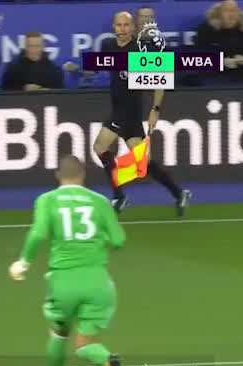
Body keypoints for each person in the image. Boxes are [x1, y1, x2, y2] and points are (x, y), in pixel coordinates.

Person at [8, 155, 126, 366]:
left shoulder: (47, 200)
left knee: (60, 333)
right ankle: (106, 360)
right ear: (83, 175)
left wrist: (24, 262)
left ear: (57, 176)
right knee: (84, 344)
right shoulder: (100, 201)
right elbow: (119, 240)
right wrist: (99, 237)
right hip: (99, 284)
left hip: (64, 283)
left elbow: (38, 233)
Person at [94, 11, 192, 215]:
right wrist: (79, 68)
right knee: (143, 163)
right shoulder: (109, 47)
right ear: (113, 27)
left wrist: (155, 109)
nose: (122, 29)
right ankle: (179, 193)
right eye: (119, 25)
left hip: (128, 110)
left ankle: (119, 197)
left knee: (100, 146)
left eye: (126, 25)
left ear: (132, 27)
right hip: (119, 108)